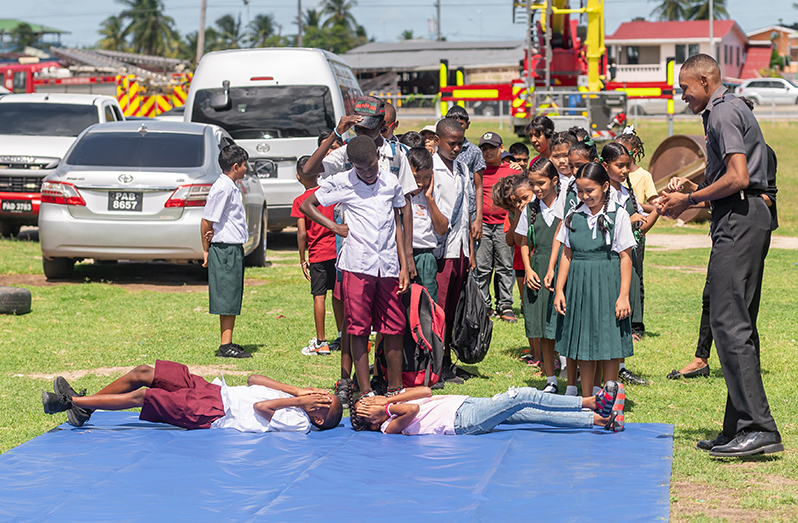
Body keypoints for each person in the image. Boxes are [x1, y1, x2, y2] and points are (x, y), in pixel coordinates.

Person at [656, 54, 782, 457]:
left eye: (685, 88)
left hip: (741, 219)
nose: (682, 97)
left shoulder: (723, 112)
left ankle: (759, 428)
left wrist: (691, 197)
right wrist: (686, 197)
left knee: (728, 321)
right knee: (734, 322)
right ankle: (738, 427)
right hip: (740, 216)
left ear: (706, 81)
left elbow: (739, 178)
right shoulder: (726, 110)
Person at [666, 97, 779, 382]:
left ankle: (748, 364)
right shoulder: (724, 151)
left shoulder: (762, 153)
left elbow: (765, 197)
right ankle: (701, 358)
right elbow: (714, 190)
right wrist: (691, 190)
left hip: (744, 229)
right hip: (725, 228)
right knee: (712, 298)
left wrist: (694, 198)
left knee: (740, 307)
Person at [301, 136, 410, 399]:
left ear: (377, 157)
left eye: (372, 166)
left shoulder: (390, 182)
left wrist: (404, 264)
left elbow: (397, 222)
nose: (368, 173)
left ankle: (395, 388)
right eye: (361, 169)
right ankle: (365, 391)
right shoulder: (342, 182)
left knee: (394, 325)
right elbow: (307, 205)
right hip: (357, 266)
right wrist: (335, 227)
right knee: (358, 327)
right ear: (352, 165)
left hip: (388, 266)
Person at [41, 362, 343, 432]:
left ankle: (71, 403)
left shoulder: (299, 422)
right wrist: (295, 390)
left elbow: (260, 407)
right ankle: (86, 408)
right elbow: (253, 379)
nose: (318, 394)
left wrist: (297, 403)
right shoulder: (295, 398)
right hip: (212, 390)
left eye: (323, 399)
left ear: (318, 416)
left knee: (145, 396)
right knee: (146, 372)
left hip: (214, 412)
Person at [304, 95, 416, 279]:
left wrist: (408, 254)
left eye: (367, 128)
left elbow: (406, 207)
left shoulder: (396, 155)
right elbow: (309, 170)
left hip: (389, 248)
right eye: (358, 128)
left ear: (382, 126)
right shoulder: (347, 152)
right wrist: (336, 133)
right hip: (355, 249)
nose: (361, 132)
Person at [554, 163, 636, 398]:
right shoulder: (573, 216)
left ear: (605, 186)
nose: (585, 196)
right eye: (580, 191)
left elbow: (626, 257)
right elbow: (567, 255)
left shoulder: (618, 214)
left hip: (608, 284)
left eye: (590, 190)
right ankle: (587, 398)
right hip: (579, 286)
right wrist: (560, 290)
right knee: (583, 342)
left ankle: (609, 398)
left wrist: (623, 296)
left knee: (608, 341)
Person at [350, 381, 626, 435]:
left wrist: (387, 398)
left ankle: (600, 422)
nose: (372, 399)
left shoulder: (391, 402)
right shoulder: (388, 426)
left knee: (528, 415)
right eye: (367, 405)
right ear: (370, 420)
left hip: (465, 403)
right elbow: (413, 411)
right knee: (522, 396)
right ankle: (591, 402)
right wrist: (385, 408)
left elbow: (426, 391)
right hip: (465, 421)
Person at [602, 142, 658, 386]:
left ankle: (620, 367)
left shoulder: (628, 192)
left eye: (626, 166)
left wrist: (651, 214)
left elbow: (640, 227)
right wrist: (625, 219)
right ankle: (601, 368)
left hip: (627, 260)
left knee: (623, 316)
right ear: (605, 166)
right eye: (619, 166)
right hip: (606, 261)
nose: (624, 171)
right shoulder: (600, 194)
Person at [432, 117, 476, 385]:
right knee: (439, 310)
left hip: (461, 247)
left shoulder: (462, 168)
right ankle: (436, 365)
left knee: (454, 309)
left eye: (460, 144)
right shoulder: (432, 170)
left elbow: (467, 209)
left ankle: (447, 361)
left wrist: (470, 249)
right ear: (437, 141)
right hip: (441, 249)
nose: (457, 149)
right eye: (452, 144)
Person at [515, 159, 564, 393]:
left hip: (562, 267)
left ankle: (568, 370)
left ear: (555, 180)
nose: (537, 189)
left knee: (561, 322)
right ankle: (550, 378)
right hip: (537, 267)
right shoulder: (530, 209)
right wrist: (528, 270)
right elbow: (523, 243)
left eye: (541, 183)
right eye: (533, 184)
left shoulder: (566, 206)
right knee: (542, 326)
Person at [201, 145, 252, 359]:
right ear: (235, 166)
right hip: (225, 248)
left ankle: (228, 340)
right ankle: (225, 345)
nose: (246, 168)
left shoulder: (230, 186)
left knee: (232, 294)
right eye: (244, 164)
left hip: (232, 248)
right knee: (227, 295)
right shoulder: (222, 188)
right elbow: (206, 220)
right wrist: (206, 250)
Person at [291, 156, 344, 356]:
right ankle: (342, 335)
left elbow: (302, 233)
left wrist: (302, 259)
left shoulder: (300, 201)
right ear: (319, 173)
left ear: (298, 177)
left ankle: (321, 341)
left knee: (319, 296)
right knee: (338, 295)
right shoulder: (329, 194)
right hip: (337, 252)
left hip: (318, 255)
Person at [615, 130, 658, 344]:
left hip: (635, 232)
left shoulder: (642, 176)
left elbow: (654, 203)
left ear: (633, 153)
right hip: (617, 230)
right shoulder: (610, 176)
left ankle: (636, 324)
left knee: (635, 276)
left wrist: (642, 213)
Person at [475, 132, 517, 322]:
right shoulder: (478, 170)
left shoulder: (513, 170)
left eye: (492, 147)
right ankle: (483, 304)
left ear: (502, 148)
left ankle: (505, 304)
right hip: (482, 225)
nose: (488, 151)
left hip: (504, 225)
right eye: (484, 148)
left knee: (505, 266)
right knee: (482, 267)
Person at [407, 146, 449, 302]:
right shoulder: (399, 194)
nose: (420, 183)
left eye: (426, 177)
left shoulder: (433, 194)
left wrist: (429, 198)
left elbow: (442, 229)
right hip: (402, 255)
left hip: (425, 255)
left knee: (428, 304)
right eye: (415, 177)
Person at [446, 106, 487, 244]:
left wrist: (478, 219)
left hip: (469, 211)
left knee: (470, 254)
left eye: (461, 124)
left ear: (467, 125)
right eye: (452, 124)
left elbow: (479, 186)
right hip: (447, 210)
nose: (457, 128)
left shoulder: (474, 152)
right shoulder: (439, 151)